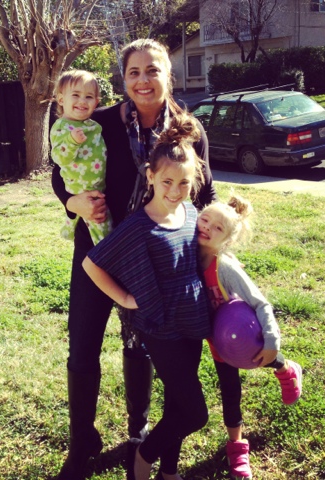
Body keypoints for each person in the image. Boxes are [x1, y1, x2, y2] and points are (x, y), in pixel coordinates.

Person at [51, 39, 217, 480]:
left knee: (139, 344)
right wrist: (72, 203)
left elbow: (205, 192)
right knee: (82, 348)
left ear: (168, 74)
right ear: (123, 79)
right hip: (99, 250)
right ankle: (81, 443)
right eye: (134, 72)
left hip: (156, 259)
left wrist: (215, 241)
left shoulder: (188, 130)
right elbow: (60, 172)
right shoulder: (100, 121)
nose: (143, 80)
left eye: (152, 70)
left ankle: (138, 432)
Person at [83, 113, 210, 480]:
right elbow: (92, 264)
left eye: (184, 182)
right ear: (151, 176)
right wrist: (125, 299)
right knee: (196, 414)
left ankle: (169, 472)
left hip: (192, 322)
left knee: (177, 405)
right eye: (167, 181)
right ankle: (144, 454)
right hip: (162, 328)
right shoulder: (139, 225)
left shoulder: (191, 213)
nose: (175, 190)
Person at [197, 194, 303, 480]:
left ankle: (238, 448)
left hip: (241, 333)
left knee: (256, 361)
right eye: (205, 219)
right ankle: (236, 443)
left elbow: (261, 303)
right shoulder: (187, 254)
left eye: (218, 228)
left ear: (227, 240)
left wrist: (272, 342)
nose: (207, 227)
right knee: (228, 390)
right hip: (217, 341)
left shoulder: (225, 267)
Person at [50, 70, 112, 245]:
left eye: (89, 97)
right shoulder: (61, 127)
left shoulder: (93, 125)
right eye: (76, 95)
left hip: (98, 184)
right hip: (82, 188)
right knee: (102, 227)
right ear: (61, 100)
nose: (82, 101)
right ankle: (106, 252)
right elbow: (59, 159)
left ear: (96, 102)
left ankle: (70, 225)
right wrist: (71, 142)